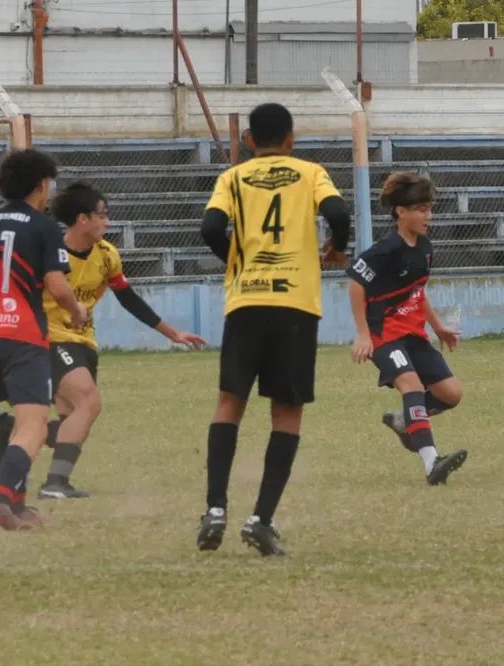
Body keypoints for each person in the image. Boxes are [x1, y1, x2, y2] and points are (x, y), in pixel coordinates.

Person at [196, 102, 352, 556]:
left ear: (248, 140)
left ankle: (215, 510)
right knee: (287, 409)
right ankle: (261, 519)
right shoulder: (310, 172)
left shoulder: (232, 177)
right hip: (295, 304)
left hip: (245, 301)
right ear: (291, 139)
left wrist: (236, 262)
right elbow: (339, 216)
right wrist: (336, 248)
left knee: (230, 401)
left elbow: (209, 227)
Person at [0, 181, 206, 499]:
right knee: (89, 401)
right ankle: (55, 484)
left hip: (83, 343)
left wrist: (172, 333)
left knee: (72, 421)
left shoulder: (107, 256)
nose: (107, 222)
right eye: (102, 215)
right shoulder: (49, 250)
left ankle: (10, 430)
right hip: (47, 339)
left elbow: (128, 298)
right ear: (82, 219)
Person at [347, 172, 468, 485]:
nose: (428, 215)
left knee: (451, 394)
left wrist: (438, 327)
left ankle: (405, 421)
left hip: (414, 335)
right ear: (401, 212)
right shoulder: (385, 250)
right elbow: (355, 285)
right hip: (384, 336)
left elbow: (417, 291)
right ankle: (431, 464)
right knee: (412, 388)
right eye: (420, 209)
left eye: (429, 208)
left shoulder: (425, 247)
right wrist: (362, 334)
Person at [0, 149, 86, 530]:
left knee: (22, 418)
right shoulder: (42, 226)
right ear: (42, 185)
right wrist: (77, 312)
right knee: (35, 423)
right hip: (21, 333)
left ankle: (16, 503)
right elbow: (58, 286)